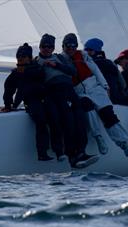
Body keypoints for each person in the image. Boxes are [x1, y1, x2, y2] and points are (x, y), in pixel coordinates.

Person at [62, 33, 128, 159]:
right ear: (63, 46)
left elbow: (96, 70)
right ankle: (98, 138)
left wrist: (105, 86)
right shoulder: (60, 59)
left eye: (73, 45)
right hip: (79, 92)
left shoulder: (83, 55)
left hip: (95, 89)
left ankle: (124, 145)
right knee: (87, 106)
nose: (71, 48)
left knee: (108, 114)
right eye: (68, 45)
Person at [35, 33, 97, 169]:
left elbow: (73, 72)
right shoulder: (36, 62)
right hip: (55, 91)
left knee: (79, 118)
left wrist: (56, 65)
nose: (47, 49)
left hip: (70, 90)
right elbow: (35, 79)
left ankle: (82, 151)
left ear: (53, 48)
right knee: (68, 120)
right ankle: (72, 156)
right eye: (44, 46)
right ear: (40, 47)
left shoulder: (60, 58)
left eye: (50, 46)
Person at [84, 38, 128, 146]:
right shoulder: (110, 64)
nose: (85, 52)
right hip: (114, 97)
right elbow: (122, 84)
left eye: (87, 50)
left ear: (92, 51)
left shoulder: (85, 65)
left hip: (94, 99)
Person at [2, 43, 54, 161]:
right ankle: (42, 153)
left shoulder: (36, 70)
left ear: (29, 58)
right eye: (18, 56)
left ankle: (60, 150)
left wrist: (25, 72)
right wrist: (8, 105)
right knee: (41, 120)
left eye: (23, 56)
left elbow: (34, 81)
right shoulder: (16, 74)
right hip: (32, 102)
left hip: (45, 99)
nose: (20, 58)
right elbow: (9, 89)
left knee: (55, 118)